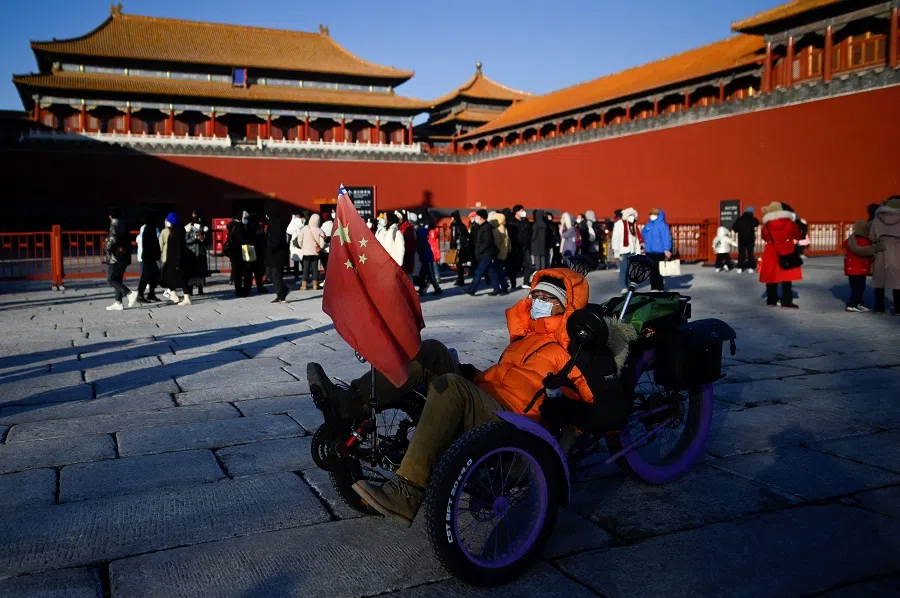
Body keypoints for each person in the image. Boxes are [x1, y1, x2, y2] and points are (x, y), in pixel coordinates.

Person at [306, 268, 636, 527]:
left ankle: (407, 493)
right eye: (535, 295)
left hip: (514, 423)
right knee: (432, 351)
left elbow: (610, 411)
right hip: (486, 399)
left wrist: (564, 410)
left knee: (452, 386)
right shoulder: (526, 339)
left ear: (566, 306)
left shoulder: (578, 350)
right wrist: (470, 373)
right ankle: (348, 405)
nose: (537, 302)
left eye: (547, 299)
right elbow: (503, 379)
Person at [759, 201, 803, 308]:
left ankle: (771, 299)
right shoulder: (789, 222)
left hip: (771, 251)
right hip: (786, 250)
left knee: (771, 276)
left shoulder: (767, 225)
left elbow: (764, 237)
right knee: (786, 277)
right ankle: (787, 301)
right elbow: (798, 234)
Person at [869, 196, 900, 314]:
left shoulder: (877, 219)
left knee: (879, 280)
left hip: (881, 250)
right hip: (898, 251)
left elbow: (872, 237)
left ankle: (879, 306)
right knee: (898, 281)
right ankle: (898, 307)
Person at [843, 219, 883, 312]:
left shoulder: (850, 239)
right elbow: (867, 252)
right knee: (859, 288)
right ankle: (852, 304)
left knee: (855, 287)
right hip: (859, 269)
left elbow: (844, 245)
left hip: (851, 269)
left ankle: (859, 303)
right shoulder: (864, 240)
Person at [104, 207, 136, 311]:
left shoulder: (115, 224)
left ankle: (129, 293)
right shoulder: (122, 224)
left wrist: (106, 247)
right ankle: (118, 302)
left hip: (116, 256)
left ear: (110, 216)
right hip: (123, 255)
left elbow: (113, 239)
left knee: (111, 279)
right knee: (117, 279)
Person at [159, 212, 191, 306]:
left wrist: (177, 262)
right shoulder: (174, 232)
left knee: (179, 279)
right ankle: (176, 295)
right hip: (172, 260)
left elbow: (178, 249)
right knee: (169, 278)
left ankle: (185, 298)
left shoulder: (176, 233)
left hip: (176, 261)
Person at [610, 208, 642, 293]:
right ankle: (623, 287)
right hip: (623, 251)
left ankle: (628, 286)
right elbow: (615, 238)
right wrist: (616, 252)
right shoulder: (619, 224)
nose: (632, 217)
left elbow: (636, 239)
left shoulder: (633, 225)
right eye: (630, 215)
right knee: (623, 269)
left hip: (632, 251)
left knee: (630, 270)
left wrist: (638, 251)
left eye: (633, 215)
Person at [642, 208, 672, 291]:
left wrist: (667, 249)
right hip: (649, 251)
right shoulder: (648, 225)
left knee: (658, 270)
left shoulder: (663, 225)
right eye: (651, 214)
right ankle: (654, 287)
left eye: (654, 214)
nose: (652, 216)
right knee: (652, 270)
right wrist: (643, 243)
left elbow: (666, 238)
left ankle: (659, 287)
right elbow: (643, 234)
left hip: (659, 251)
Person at [265, 205, 290, 303]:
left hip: (277, 253)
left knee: (276, 275)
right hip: (271, 254)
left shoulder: (278, 223)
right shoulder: (272, 222)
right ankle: (283, 290)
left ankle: (281, 295)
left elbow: (277, 239)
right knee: (270, 274)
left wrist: (271, 247)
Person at [136, 212, 161, 303]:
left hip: (150, 256)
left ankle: (151, 293)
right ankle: (140, 294)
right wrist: (156, 254)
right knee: (146, 276)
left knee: (155, 275)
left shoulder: (149, 228)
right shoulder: (149, 229)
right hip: (148, 257)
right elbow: (153, 243)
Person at [297, 213, 326, 290]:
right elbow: (322, 243)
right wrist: (320, 248)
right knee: (315, 268)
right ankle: (315, 285)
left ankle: (304, 285)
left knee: (306, 268)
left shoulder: (305, 228)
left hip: (306, 252)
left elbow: (299, 240)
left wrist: (302, 247)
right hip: (315, 252)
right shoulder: (320, 230)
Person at [184, 211, 210, 296]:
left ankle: (200, 289)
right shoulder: (189, 229)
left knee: (201, 272)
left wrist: (202, 238)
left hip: (201, 252)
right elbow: (187, 241)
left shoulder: (203, 228)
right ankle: (190, 290)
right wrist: (195, 237)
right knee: (191, 273)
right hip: (192, 253)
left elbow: (206, 241)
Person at [415, 217, 443, 296]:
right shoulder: (424, 235)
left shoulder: (422, 234)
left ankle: (437, 288)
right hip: (425, 257)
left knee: (430, 275)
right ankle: (423, 288)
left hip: (426, 258)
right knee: (422, 274)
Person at [225, 215, 249, 297]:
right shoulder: (239, 226)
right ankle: (239, 290)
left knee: (236, 271)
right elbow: (242, 239)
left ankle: (237, 289)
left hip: (232, 251)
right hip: (238, 251)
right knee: (239, 272)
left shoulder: (231, 225)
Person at [731, 207, 759, 273]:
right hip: (750, 239)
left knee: (741, 254)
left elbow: (734, 227)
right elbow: (756, 224)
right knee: (750, 254)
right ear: (752, 212)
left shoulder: (740, 219)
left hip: (741, 239)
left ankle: (740, 268)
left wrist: (739, 230)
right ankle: (751, 268)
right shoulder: (753, 219)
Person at [488, 211, 510, 296]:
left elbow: (497, 242)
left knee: (493, 272)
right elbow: (508, 241)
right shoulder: (504, 228)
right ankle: (504, 287)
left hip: (498, 253)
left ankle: (496, 289)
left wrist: (494, 253)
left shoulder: (497, 229)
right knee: (500, 271)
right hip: (503, 253)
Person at [449, 211, 471, 287]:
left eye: (451, 218)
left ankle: (460, 279)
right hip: (463, 247)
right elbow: (467, 235)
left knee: (458, 264)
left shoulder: (454, 225)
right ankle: (461, 279)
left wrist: (452, 246)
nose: (450, 219)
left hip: (457, 247)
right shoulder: (462, 225)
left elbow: (453, 237)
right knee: (461, 264)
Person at [248, 213, 268, 294]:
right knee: (258, 271)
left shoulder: (247, 227)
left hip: (250, 249)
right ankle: (260, 286)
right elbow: (262, 238)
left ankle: (248, 287)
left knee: (249, 270)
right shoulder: (259, 227)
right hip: (258, 250)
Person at [514, 206, 532, 286]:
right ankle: (512, 283)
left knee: (529, 263)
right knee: (515, 265)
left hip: (526, 246)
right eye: (521, 210)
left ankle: (526, 282)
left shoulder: (525, 221)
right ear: (516, 212)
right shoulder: (513, 222)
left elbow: (528, 232)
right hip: (517, 247)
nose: (523, 212)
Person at [286, 212, 307, 282]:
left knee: (296, 262)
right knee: (303, 262)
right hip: (302, 243)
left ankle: (296, 276)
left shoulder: (293, 222)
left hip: (294, 244)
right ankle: (305, 277)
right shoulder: (302, 221)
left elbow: (289, 231)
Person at [398, 211, 417, 280]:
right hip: (402, 258)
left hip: (406, 258)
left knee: (408, 278)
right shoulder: (400, 228)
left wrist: (404, 255)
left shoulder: (407, 229)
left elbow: (410, 247)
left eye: (399, 217)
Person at [530, 209, 548, 276]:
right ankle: (543, 271)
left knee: (537, 258)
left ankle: (538, 271)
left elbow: (534, 235)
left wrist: (531, 240)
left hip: (536, 244)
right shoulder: (544, 224)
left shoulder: (536, 224)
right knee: (542, 258)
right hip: (542, 244)